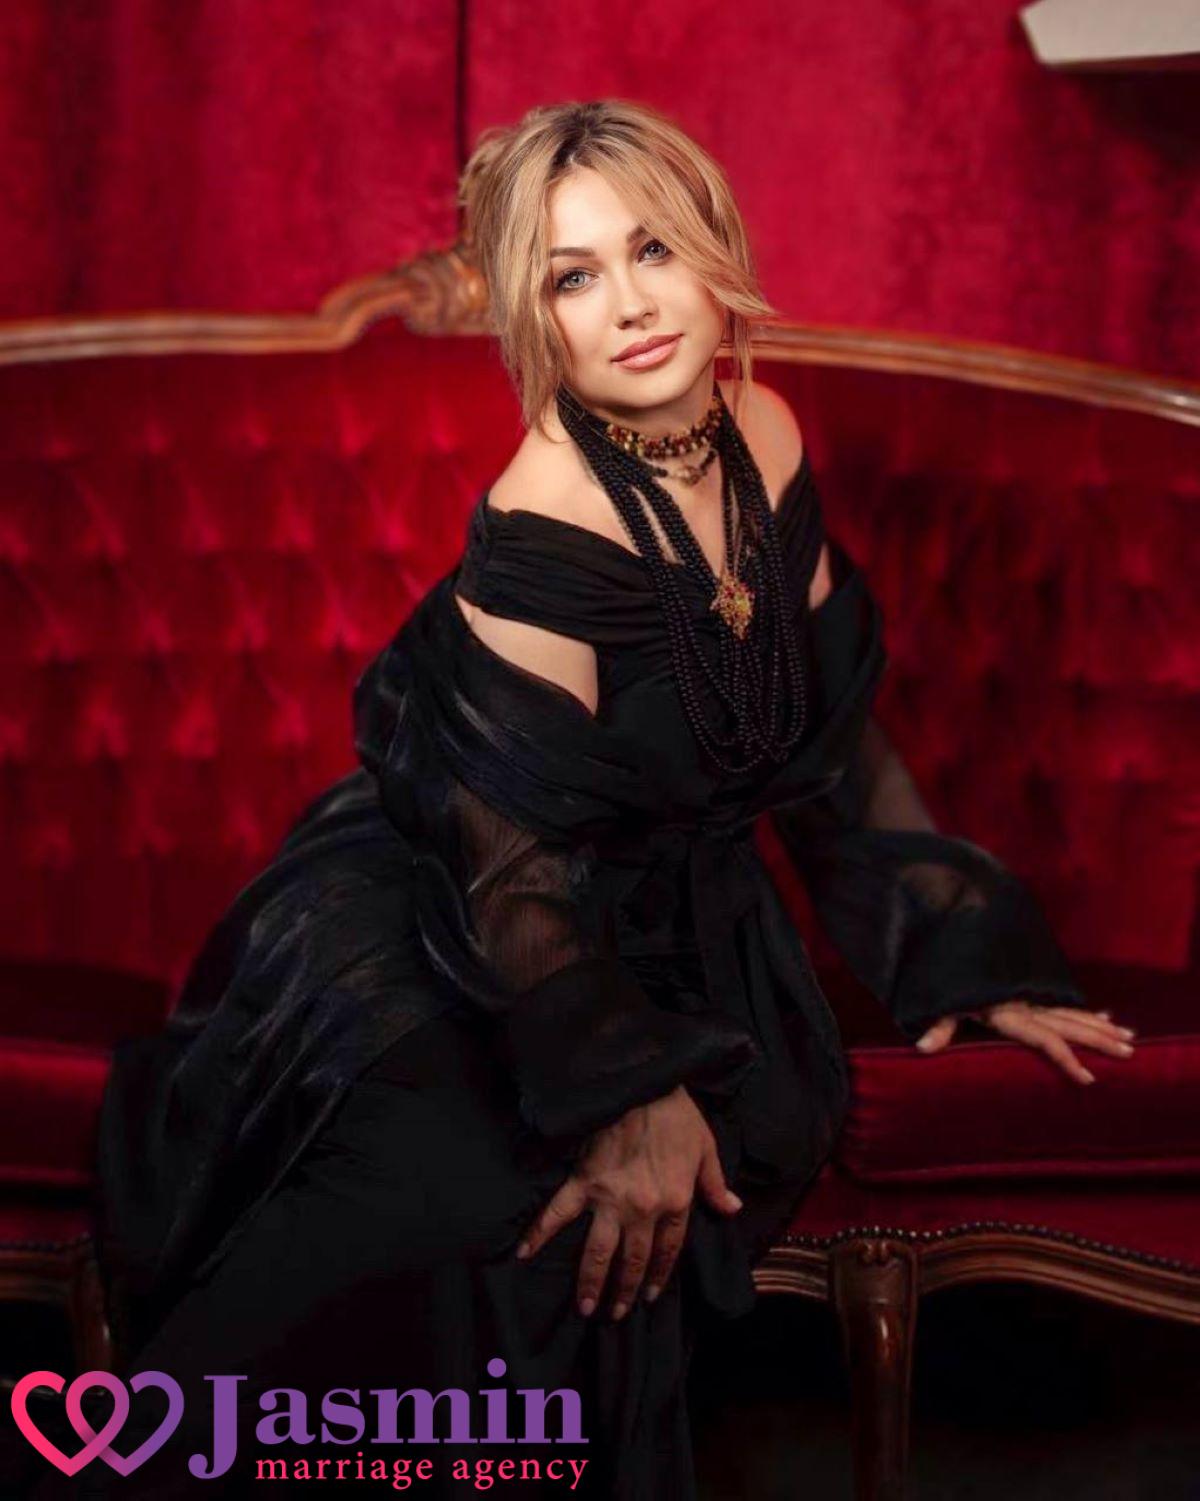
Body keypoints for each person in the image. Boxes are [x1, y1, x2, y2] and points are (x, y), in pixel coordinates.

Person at [68, 99, 1135, 1499]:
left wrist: (966, 955)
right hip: (462, 923)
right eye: (573, 276)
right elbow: (510, 871)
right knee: (473, 1203)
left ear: (714, 249)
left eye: (653, 250)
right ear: (534, 314)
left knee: (642, 1205)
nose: (629, 305)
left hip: (674, 922)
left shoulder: (763, 430)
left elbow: (827, 736)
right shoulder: (546, 516)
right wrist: (629, 1092)